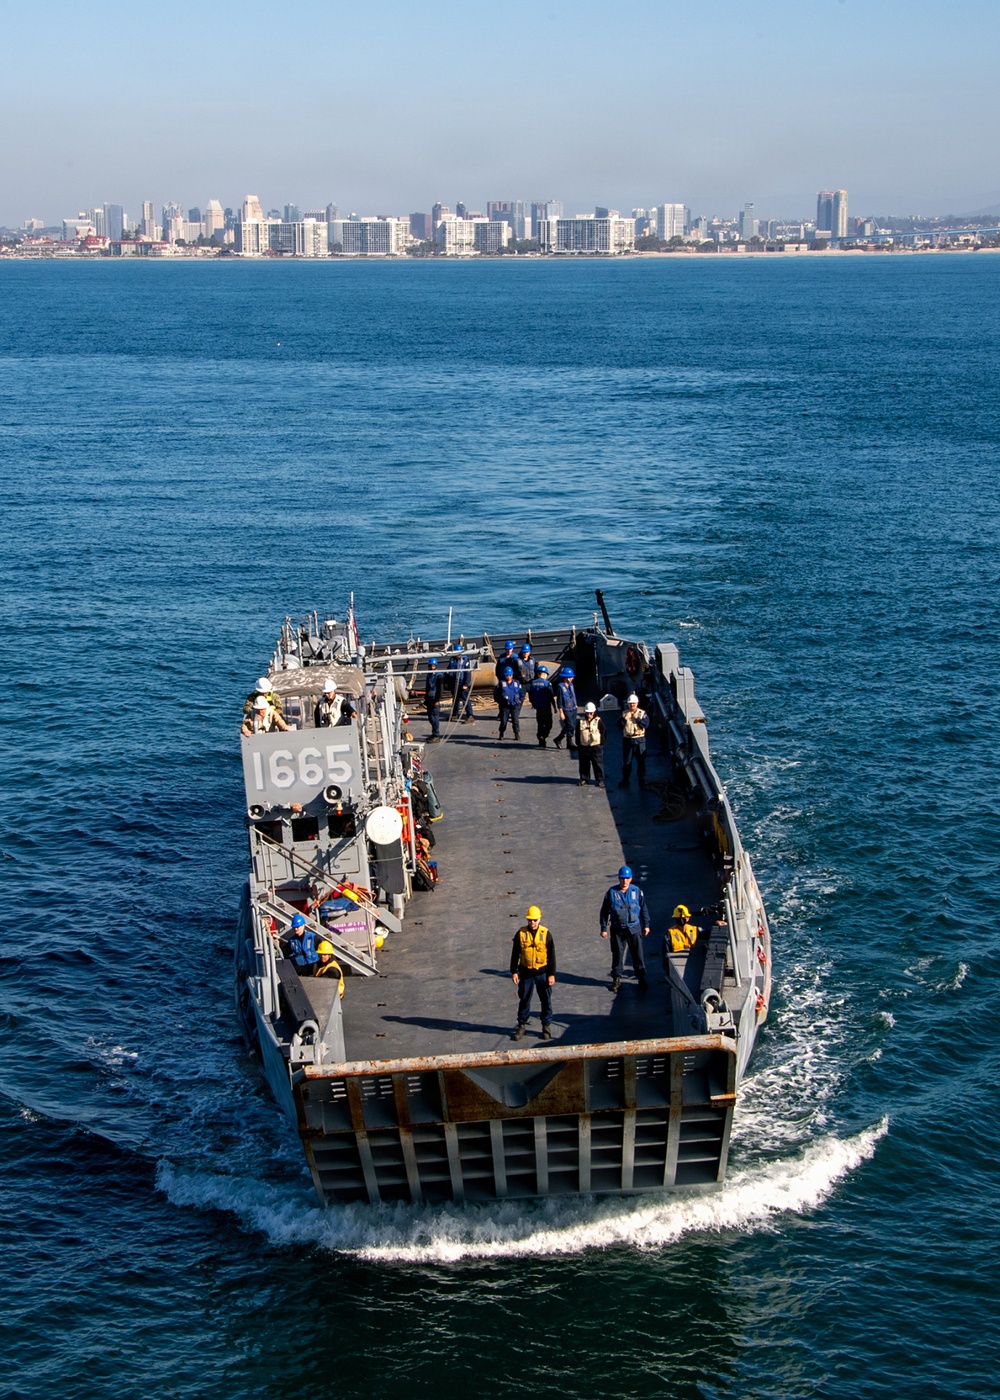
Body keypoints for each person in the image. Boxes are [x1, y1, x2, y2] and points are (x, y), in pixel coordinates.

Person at [600, 865, 651, 992]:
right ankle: (616, 978)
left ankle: (641, 977)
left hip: (634, 928)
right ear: (619, 879)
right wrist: (604, 928)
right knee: (617, 954)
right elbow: (604, 911)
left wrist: (646, 925)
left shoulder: (637, 892)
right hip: (618, 929)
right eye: (622, 878)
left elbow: (643, 908)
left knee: (638, 954)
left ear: (631, 879)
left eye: (627, 878)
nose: (624, 881)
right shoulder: (612, 893)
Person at [510, 904, 556, 1040]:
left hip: (542, 973)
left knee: (546, 1000)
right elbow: (515, 954)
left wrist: (551, 974)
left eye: (535, 920)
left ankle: (546, 1026)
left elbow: (551, 956)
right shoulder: (521, 934)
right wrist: (514, 971)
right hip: (526, 973)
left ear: (539, 919)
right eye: (530, 920)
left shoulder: (546, 934)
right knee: (524, 999)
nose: (532, 923)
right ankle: (521, 1025)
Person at [618, 692, 650, 788]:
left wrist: (638, 719)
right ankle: (625, 780)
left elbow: (646, 725)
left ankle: (641, 780)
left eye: (634, 703)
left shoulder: (642, 714)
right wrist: (624, 719)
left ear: (637, 703)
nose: (632, 705)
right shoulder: (624, 713)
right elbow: (619, 726)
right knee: (627, 762)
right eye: (630, 703)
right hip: (628, 740)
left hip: (639, 740)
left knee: (641, 762)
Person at [574, 702, 606, 787]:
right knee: (584, 764)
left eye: (591, 713)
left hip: (596, 746)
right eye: (587, 713)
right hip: (584, 747)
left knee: (598, 764)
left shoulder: (598, 721)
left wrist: (601, 743)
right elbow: (577, 733)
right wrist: (579, 744)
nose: (589, 715)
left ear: (594, 712)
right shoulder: (581, 721)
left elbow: (603, 732)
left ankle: (600, 780)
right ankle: (584, 779)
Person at [527, 666, 557, 748]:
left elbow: (530, 695)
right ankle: (544, 735)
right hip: (546, 706)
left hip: (538, 707)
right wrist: (554, 707)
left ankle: (540, 737)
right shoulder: (547, 683)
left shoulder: (533, 683)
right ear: (544, 674)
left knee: (540, 723)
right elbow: (551, 696)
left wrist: (533, 703)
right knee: (549, 724)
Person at [554, 666, 578, 754]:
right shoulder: (561, 687)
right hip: (566, 709)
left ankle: (569, 742)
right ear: (566, 678)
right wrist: (561, 712)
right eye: (571, 677)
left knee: (572, 726)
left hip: (573, 708)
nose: (572, 678)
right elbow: (559, 701)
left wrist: (575, 704)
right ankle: (559, 738)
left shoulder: (571, 685)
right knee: (569, 725)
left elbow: (573, 695)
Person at [448, 644, 475, 723]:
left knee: (465, 699)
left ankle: (470, 716)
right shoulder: (452, 660)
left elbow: (467, 673)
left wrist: (466, 684)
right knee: (455, 700)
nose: (458, 655)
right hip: (454, 683)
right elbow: (449, 670)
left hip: (462, 683)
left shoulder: (465, 660)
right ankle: (455, 714)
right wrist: (448, 681)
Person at [497, 666, 524, 740]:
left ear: (512, 675)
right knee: (504, 721)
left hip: (515, 704)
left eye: (510, 675)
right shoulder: (501, 684)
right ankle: (501, 733)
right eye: (507, 675)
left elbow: (521, 692)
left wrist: (520, 701)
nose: (509, 677)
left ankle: (516, 733)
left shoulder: (516, 683)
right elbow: (496, 694)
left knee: (515, 720)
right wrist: (500, 701)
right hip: (505, 705)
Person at [424, 656, 444, 741]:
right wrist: (426, 698)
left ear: (436, 666)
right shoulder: (429, 675)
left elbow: (440, 689)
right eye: (430, 666)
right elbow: (427, 687)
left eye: (433, 666)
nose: (432, 667)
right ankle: (434, 733)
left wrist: (437, 700)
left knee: (434, 717)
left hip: (434, 698)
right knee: (430, 717)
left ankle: (436, 735)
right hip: (429, 698)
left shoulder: (439, 676)